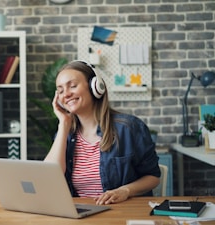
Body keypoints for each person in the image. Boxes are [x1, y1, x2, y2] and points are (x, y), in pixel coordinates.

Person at [44, 60, 160, 205]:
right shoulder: (65, 134)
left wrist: (125, 190)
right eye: (60, 90)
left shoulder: (129, 128)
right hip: (81, 215)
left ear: (95, 87)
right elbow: (50, 177)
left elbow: (153, 177)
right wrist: (64, 123)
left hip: (121, 212)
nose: (66, 94)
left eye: (72, 86)